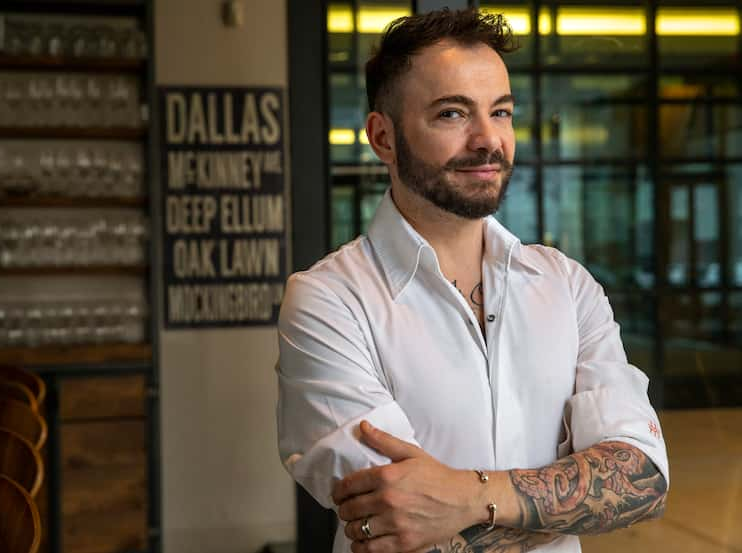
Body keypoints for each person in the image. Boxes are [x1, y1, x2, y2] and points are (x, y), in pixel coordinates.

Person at [276, 8, 668, 553]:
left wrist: (462, 498)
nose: (488, 140)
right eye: (452, 114)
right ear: (383, 138)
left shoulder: (567, 285)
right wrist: (568, 495)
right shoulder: (328, 301)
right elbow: (399, 519)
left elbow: (641, 479)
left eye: (501, 112)